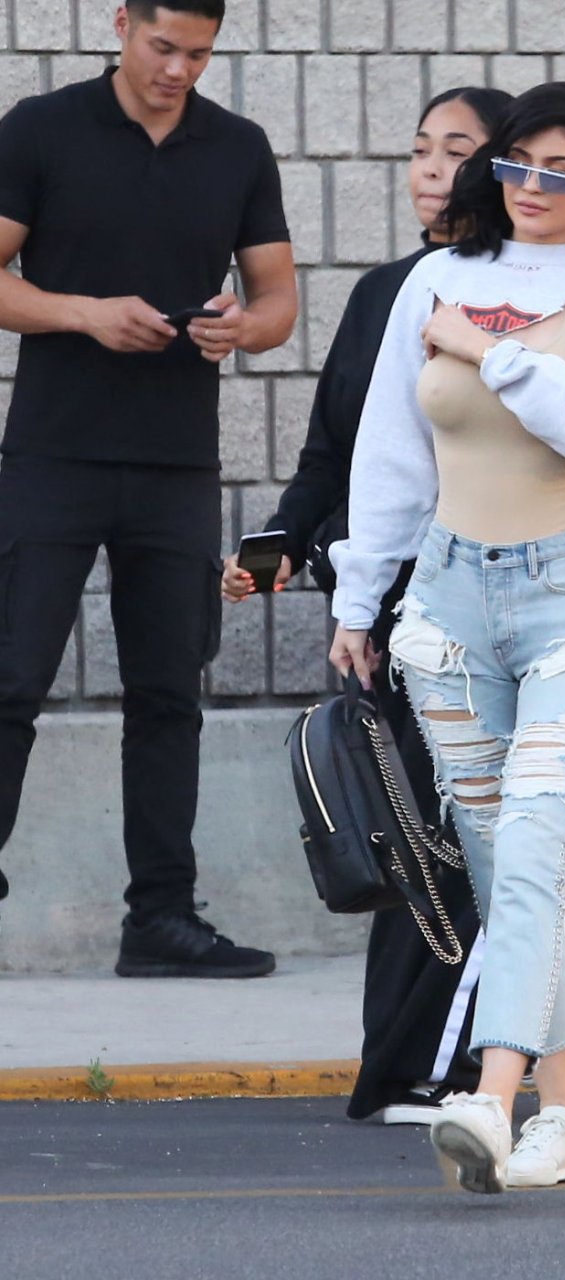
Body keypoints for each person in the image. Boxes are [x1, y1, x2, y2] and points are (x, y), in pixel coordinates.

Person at [223, 87, 565, 1124]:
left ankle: (465, 1070)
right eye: (421, 149)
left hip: (511, 591)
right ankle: (425, 1064)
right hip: (399, 600)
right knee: (417, 833)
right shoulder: (390, 292)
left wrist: (495, 367)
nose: (435, 170)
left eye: (461, 150)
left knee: (498, 839)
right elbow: (342, 455)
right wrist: (280, 554)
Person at [328, 81, 565, 1193]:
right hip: (446, 604)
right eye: (518, 164)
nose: (532, 187)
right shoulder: (436, 277)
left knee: (529, 849)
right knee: (495, 862)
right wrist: (358, 601)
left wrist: (486, 348)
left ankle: (490, 1090)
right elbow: (390, 450)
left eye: (561, 172)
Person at [0, 1, 297, 977]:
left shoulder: (237, 147)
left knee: (169, 696)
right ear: (122, 23)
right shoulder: (41, 129)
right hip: (52, 457)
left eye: (199, 54)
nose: (179, 69)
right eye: (164, 47)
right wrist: (83, 314)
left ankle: (161, 921)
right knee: (9, 682)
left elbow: (277, 301)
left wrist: (240, 328)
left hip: (177, 466)